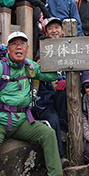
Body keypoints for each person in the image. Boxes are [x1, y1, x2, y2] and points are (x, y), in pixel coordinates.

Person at [0, 31, 62, 176]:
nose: (19, 47)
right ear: (8, 49)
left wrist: (58, 62)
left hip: (22, 120)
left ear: (27, 48)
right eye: (14, 44)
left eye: (22, 44)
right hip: (0, 120)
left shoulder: (30, 66)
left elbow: (50, 75)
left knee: (48, 134)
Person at [32, 17, 69, 168]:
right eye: (50, 28)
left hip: (60, 93)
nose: (54, 31)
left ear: (62, 30)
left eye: (57, 28)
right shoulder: (43, 49)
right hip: (45, 95)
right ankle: (59, 156)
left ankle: (64, 126)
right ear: (46, 32)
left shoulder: (70, 47)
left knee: (64, 89)